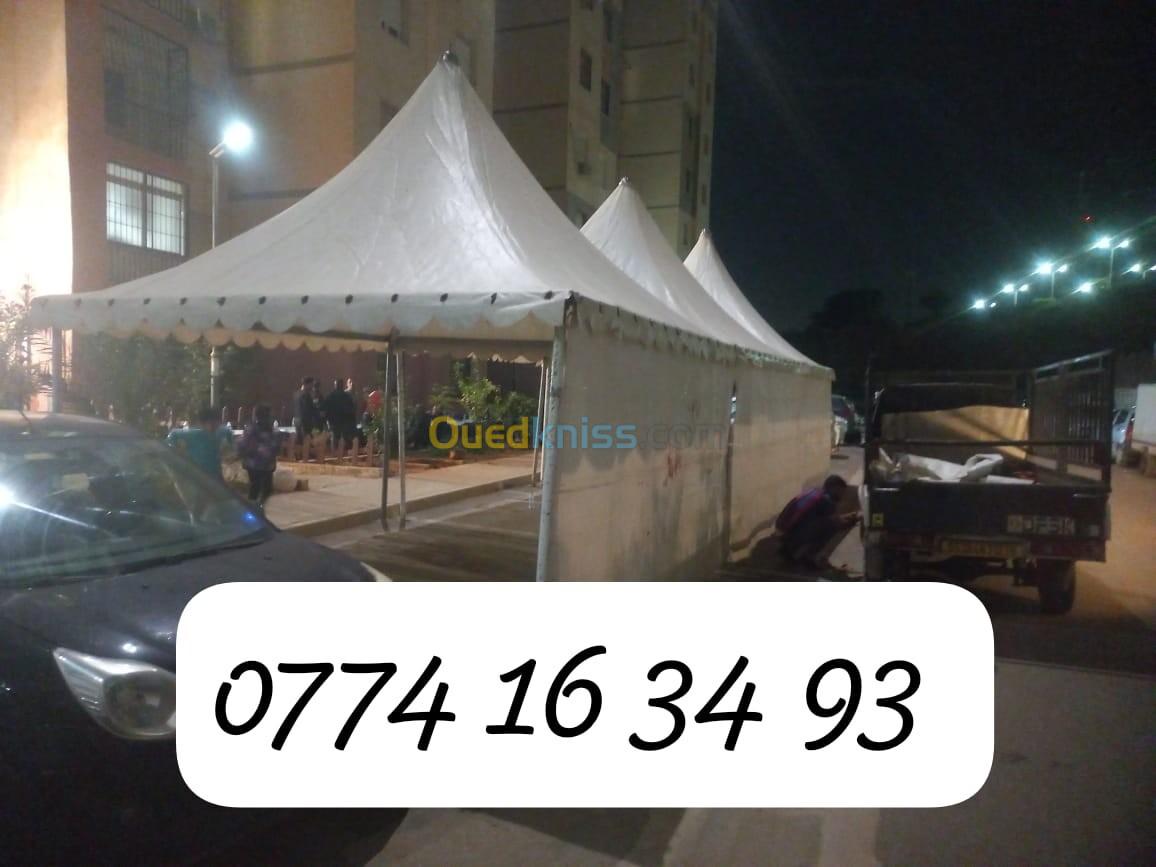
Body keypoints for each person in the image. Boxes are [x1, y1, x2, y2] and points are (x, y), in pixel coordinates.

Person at [775, 474, 859, 569]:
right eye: (841, 491)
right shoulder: (827, 501)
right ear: (834, 488)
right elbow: (834, 521)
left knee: (823, 523)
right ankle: (809, 556)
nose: (842, 495)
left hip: (784, 530)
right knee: (831, 526)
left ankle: (788, 549)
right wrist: (854, 519)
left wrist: (849, 516)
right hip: (793, 533)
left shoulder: (815, 493)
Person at [165, 406, 234, 479]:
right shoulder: (193, 434)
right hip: (197, 474)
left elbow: (228, 432)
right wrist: (175, 450)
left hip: (215, 473)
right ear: (201, 424)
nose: (212, 427)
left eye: (215, 424)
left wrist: (230, 444)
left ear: (218, 423)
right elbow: (173, 434)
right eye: (209, 423)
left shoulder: (221, 431)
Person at [238, 405, 280, 507]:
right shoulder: (259, 429)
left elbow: (242, 445)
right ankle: (255, 507)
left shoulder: (254, 429)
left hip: (258, 464)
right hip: (259, 464)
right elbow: (276, 447)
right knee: (260, 488)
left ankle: (255, 506)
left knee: (260, 488)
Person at [323, 378, 358, 450]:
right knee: (342, 440)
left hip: (336, 422)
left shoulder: (331, 396)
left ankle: (336, 452)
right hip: (342, 422)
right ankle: (340, 452)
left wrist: (327, 421)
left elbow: (325, 410)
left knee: (336, 439)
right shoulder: (346, 396)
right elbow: (351, 410)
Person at [293, 377, 321, 444]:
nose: (312, 387)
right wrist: (318, 413)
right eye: (311, 385)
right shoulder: (306, 395)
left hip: (297, 420)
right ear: (307, 384)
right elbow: (308, 408)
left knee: (299, 441)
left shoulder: (296, 394)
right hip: (305, 422)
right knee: (307, 441)